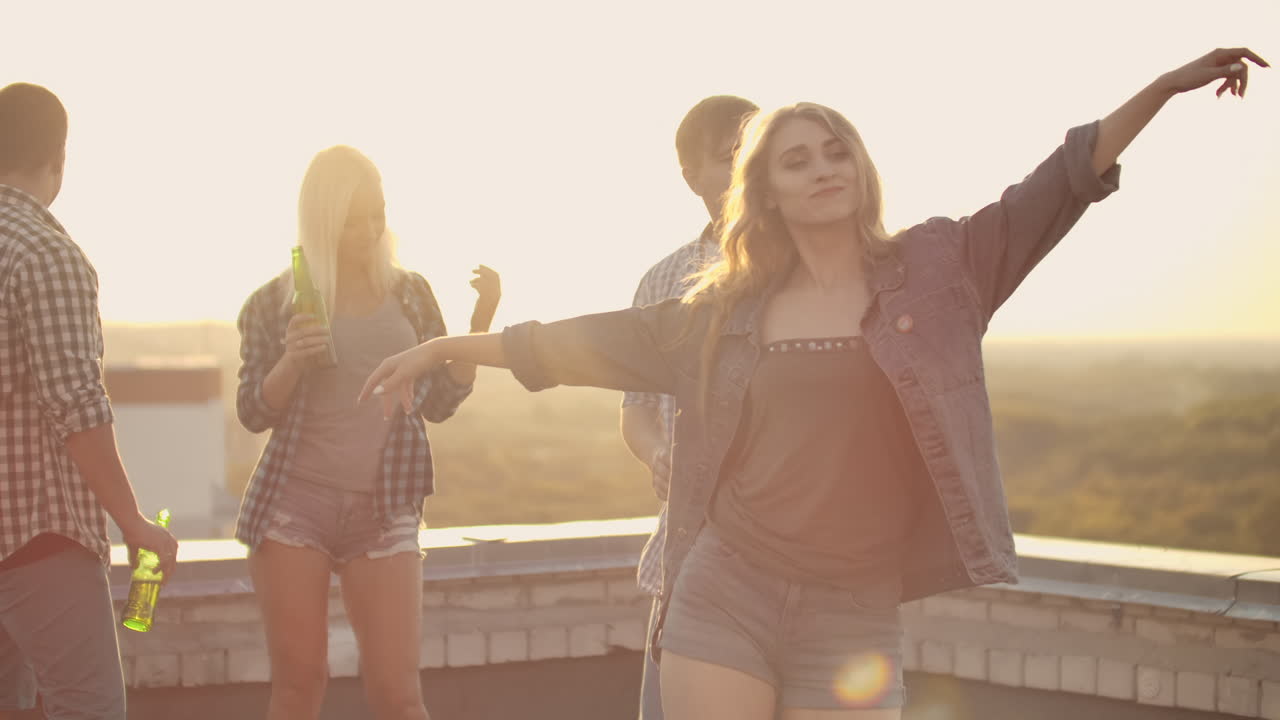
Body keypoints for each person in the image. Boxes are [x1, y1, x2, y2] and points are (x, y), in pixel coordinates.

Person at [360, 48, 1266, 720]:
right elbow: (581, 345)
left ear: (860, 166)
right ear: (769, 192)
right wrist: (443, 349)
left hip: (852, 607)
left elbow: (1054, 188)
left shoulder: (938, 270)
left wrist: (1163, 89)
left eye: (835, 151)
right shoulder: (726, 310)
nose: (823, 168)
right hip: (727, 589)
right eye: (797, 160)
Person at [234, 145, 500, 720]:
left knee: (399, 695)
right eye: (353, 220)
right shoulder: (274, 303)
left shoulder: (410, 294)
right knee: (300, 686)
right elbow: (253, 412)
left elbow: (444, 401)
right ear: (322, 221)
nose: (369, 230)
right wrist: (291, 363)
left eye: (377, 214)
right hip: (292, 506)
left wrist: (479, 326)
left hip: (386, 509)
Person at [0, 82, 179, 720]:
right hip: (37, 536)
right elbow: (76, 403)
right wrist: (131, 520)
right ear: (60, 159)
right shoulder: (45, 253)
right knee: (90, 709)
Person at [620, 94, 757, 720]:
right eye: (731, 157)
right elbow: (638, 412)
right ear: (691, 178)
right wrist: (657, 454)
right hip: (689, 561)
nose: (749, 168)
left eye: (758, 151)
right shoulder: (663, 280)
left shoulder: (816, 266)